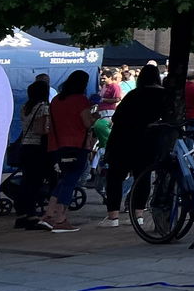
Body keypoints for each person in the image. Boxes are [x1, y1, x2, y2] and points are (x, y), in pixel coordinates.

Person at [101, 65, 166, 228]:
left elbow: (117, 119)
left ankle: (113, 216)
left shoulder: (134, 95)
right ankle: (139, 215)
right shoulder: (164, 95)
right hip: (149, 142)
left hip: (124, 140)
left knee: (115, 177)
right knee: (143, 177)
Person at [43, 70, 93, 233]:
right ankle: (61, 219)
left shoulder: (57, 100)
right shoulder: (81, 100)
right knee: (70, 181)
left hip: (58, 145)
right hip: (77, 145)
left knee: (63, 180)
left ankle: (49, 214)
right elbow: (87, 123)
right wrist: (96, 116)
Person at [11, 80, 53, 231]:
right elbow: (41, 130)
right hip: (37, 149)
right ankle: (31, 215)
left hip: (25, 147)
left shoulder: (25, 107)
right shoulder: (43, 107)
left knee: (26, 182)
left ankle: (22, 214)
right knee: (34, 183)